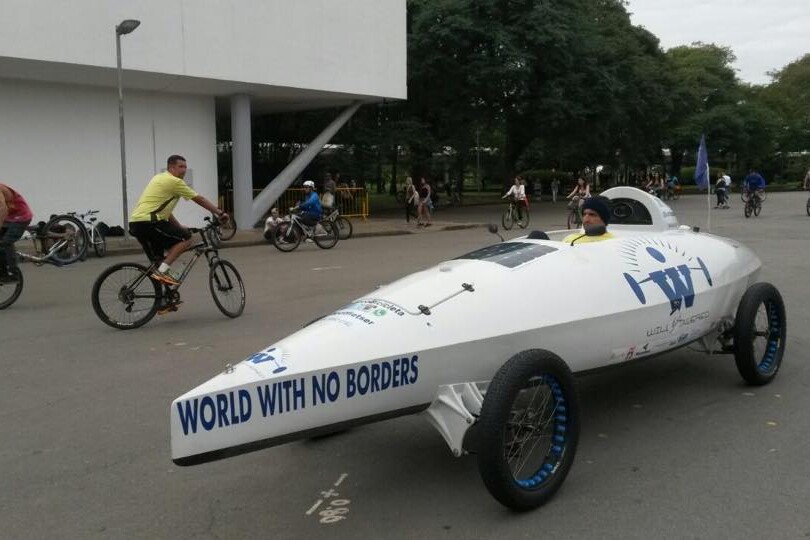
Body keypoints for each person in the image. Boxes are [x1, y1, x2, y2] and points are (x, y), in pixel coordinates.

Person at [129, 154, 228, 287]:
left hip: (137, 223)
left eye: (185, 167)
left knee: (158, 263)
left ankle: (162, 299)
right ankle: (162, 272)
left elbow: (167, 212)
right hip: (150, 223)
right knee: (186, 238)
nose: (184, 170)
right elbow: (200, 199)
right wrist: (220, 212)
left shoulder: (159, 178)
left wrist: (179, 226)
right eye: (180, 166)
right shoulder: (175, 182)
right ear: (171, 167)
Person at [0, 183, 33, 282]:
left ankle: (14, 274)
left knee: (5, 242)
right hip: (10, 218)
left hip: (21, 216)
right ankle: (3, 271)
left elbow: (3, 209)